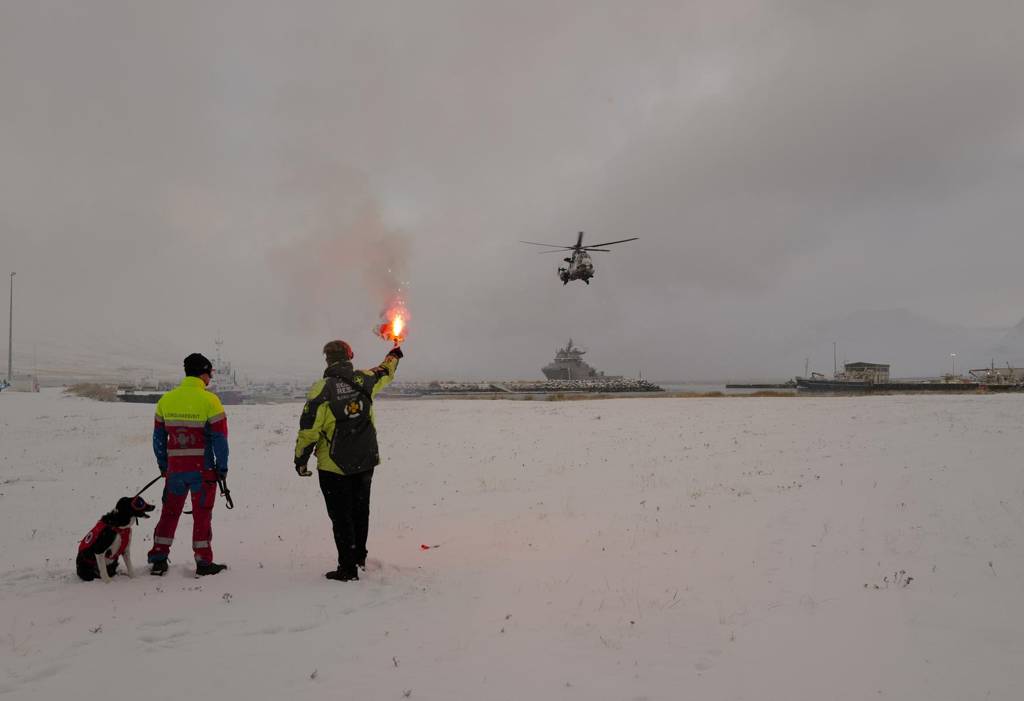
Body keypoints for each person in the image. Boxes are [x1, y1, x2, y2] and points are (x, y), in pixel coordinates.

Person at [294, 339, 402, 581]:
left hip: (334, 465)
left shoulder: (322, 388)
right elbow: (385, 371)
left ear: (327, 360)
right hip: (365, 460)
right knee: (360, 511)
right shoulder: (364, 378)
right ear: (350, 356)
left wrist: (300, 459)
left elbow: (309, 429)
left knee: (341, 517)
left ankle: (347, 568)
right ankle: (359, 557)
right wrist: (394, 354)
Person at [147, 352, 230, 576]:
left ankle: (158, 558)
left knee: (169, 513)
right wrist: (221, 468)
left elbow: (158, 439)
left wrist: (164, 465)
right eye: (210, 374)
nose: (210, 379)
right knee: (202, 515)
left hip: (175, 471)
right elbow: (220, 439)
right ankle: (203, 562)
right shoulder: (210, 400)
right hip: (203, 472)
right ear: (203, 373)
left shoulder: (166, 400)